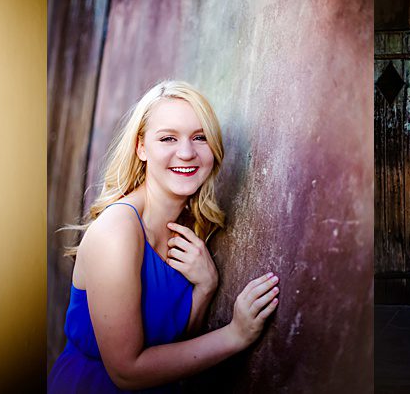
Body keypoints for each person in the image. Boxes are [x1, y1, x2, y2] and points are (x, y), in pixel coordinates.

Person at [49, 81, 279, 392]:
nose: (186, 153)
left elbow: (173, 346)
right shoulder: (118, 230)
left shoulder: (189, 225)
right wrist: (235, 335)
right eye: (168, 138)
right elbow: (126, 372)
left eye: (200, 138)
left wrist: (205, 288)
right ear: (141, 147)